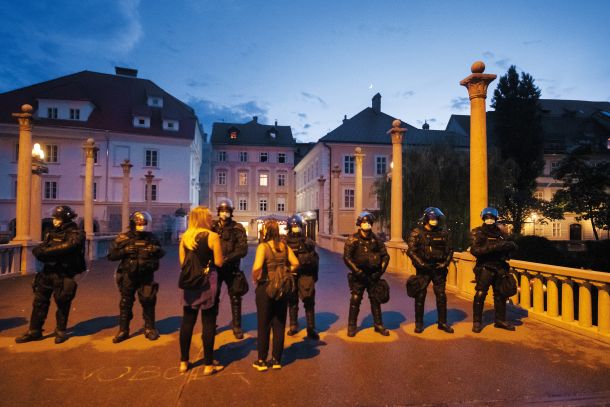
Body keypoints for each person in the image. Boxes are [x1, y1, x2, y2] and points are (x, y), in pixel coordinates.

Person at [15, 205, 86, 344]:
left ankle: (60, 330)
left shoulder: (77, 233)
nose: (55, 221)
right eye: (54, 218)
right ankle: (34, 331)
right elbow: (40, 248)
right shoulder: (51, 232)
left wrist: (46, 252)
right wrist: (44, 252)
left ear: (65, 218)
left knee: (62, 302)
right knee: (39, 302)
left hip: (64, 273)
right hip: (47, 272)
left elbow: (68, 247)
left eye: (58, 218)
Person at [178, 206, 225, 375]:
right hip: (207, 281)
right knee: (208, 323)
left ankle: (184, 362)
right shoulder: (212, 236)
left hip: (190, 282)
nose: (212, 219)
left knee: (187, 322)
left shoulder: (186, 237)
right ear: (204, 219)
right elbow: (219, 262)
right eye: (210, 216)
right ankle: (208, 364)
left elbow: (183, 262)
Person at [107, 211, 165, 343]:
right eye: (139, 223)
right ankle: (123, 330)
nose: (141, 226)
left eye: (144, 223)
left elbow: (162, 252)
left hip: (147, 275)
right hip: (129, 275)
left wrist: (155, 250)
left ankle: (150, 328)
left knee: (148, 301)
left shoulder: (152, 237)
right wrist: (124, 251)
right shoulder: (124, 237)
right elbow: (111, 255)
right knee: (125, 303)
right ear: (133, 223)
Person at [251, 220, 299, 371]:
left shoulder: (263, 247)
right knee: (279, 323)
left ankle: (261, 360)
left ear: (266, 231)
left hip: (266, 287)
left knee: (263, 324)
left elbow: (257, 267)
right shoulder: (284, 246)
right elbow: (296, 263)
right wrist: (285, 271)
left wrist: (255, 278)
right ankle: (276, 359)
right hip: (282, 288)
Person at [470, 207, 518, 333]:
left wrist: (510, 247)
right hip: (485, 267)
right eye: (487, 218)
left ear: (495, 219)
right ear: (483, 218)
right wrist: (496, 247)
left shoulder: (502, 233)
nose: (489, 220)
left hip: (500, 267)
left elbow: (511, 246)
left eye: (491, 218)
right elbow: (475, 251)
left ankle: (500, 320)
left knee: (501, 295)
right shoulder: (477, 232)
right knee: (480, 294)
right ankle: (477, 321)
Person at [406, 207, 454, 334]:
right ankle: (419, 324)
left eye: (436, 218)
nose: (434, 220)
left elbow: (449, 250)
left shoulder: (444, 233)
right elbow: (411, 251)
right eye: (432, 218)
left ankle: (442, 323)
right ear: (426, 219)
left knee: (441, 296)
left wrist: (445, 263)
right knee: (420, 296)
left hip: (439, 269)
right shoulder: (417, 232)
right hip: (423, 269)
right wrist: (421, 263)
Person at [343, 211, 390, 337]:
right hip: (359, 275)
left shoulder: (376, 239)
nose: (367, 224)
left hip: (374, 274)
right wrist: (357, 271)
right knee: (355, 299)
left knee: (375, 299)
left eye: (369, 222)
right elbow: (347, 258)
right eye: (364, 222)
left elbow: (385, 256)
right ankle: (352, 325)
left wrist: (380, 272)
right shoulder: (353, 239)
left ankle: (378, 325)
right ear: (360, 224)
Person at [211, 198, 248, 339]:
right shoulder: (213, 227)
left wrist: (228, 259)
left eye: (227, 211)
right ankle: (212, 324)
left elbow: (242, 249)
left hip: (232, 267)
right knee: (213, 297)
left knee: (236, 297)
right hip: (216, 267)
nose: (224, 213)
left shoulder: (237, 228)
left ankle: (237, 325)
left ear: (231, 212)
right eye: (222, 211)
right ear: (218, 212)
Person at [284, 215, 320, 340]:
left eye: (298, 226)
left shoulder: (308, 242)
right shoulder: (284, 243)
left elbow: (316, 260)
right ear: (289, 227)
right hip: (291, 275)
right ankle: (293, 325)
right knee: (292, 301)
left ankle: (311, 327)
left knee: (309, 301)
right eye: (294, 226)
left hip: (306, 275)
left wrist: (314, 277)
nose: (296, 228)